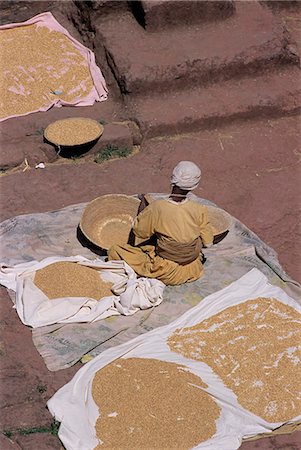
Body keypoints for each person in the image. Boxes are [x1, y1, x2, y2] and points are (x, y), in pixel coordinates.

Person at [108, 161, 214, 285]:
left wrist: (143, 211)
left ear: (172, 180)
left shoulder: (157, 207)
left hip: (166, 271)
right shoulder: (199, 209)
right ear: (194, 186)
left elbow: (139, 232)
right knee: (156, 244)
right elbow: (208, 243)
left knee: (115, 250)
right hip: (193, 267)